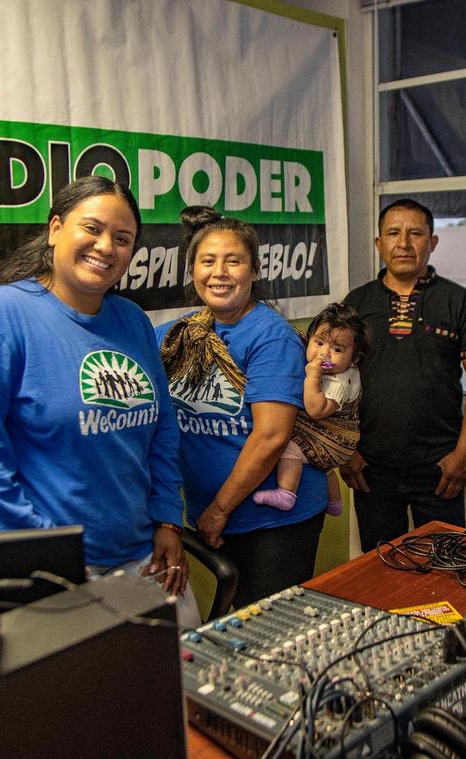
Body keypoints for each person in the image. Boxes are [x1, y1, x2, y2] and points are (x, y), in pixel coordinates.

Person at [0, 176, 198, 627]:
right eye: (91, 229)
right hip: (48, 564)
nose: (105, 246)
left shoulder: (131, 320)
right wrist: (43, 548)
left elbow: (163, 429)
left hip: (140, 553)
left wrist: (168, 520)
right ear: (55, 228)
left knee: (181, 678)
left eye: (122, 238)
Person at [157, 207, 327, 607]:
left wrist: (219, 509)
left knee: (271, 630)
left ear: (254, 271)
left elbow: (271, 437)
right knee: (238, 621)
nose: (220, 272)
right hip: (211, 513)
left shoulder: (271, 336)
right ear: (192, 269)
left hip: (273, 521)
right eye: (208, 261)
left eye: (233, 261)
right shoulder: (177, 334)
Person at [341, 198, 466, 550]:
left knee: (444, 569)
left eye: (415, 233)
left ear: (432, 242)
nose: (404, 243)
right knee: (380, 567)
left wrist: (464, 455)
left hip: (440, 470)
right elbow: (334, 381)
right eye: (393, 233)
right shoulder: (356, 303)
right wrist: (344, 451)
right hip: (371, 468)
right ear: (379, 244)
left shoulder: (458, 301)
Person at [253, 302, 370, 517]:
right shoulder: (342, 369)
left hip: (337, 440)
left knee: (289, 447)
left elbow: (316, 410)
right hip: (337, 443)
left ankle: (286, 493)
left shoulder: (340, 382)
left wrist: (313, 377)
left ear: (354, 358)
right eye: (318, 342)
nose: (324, 353)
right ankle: (334, 503)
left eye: (337, 349)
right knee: (324, 466)